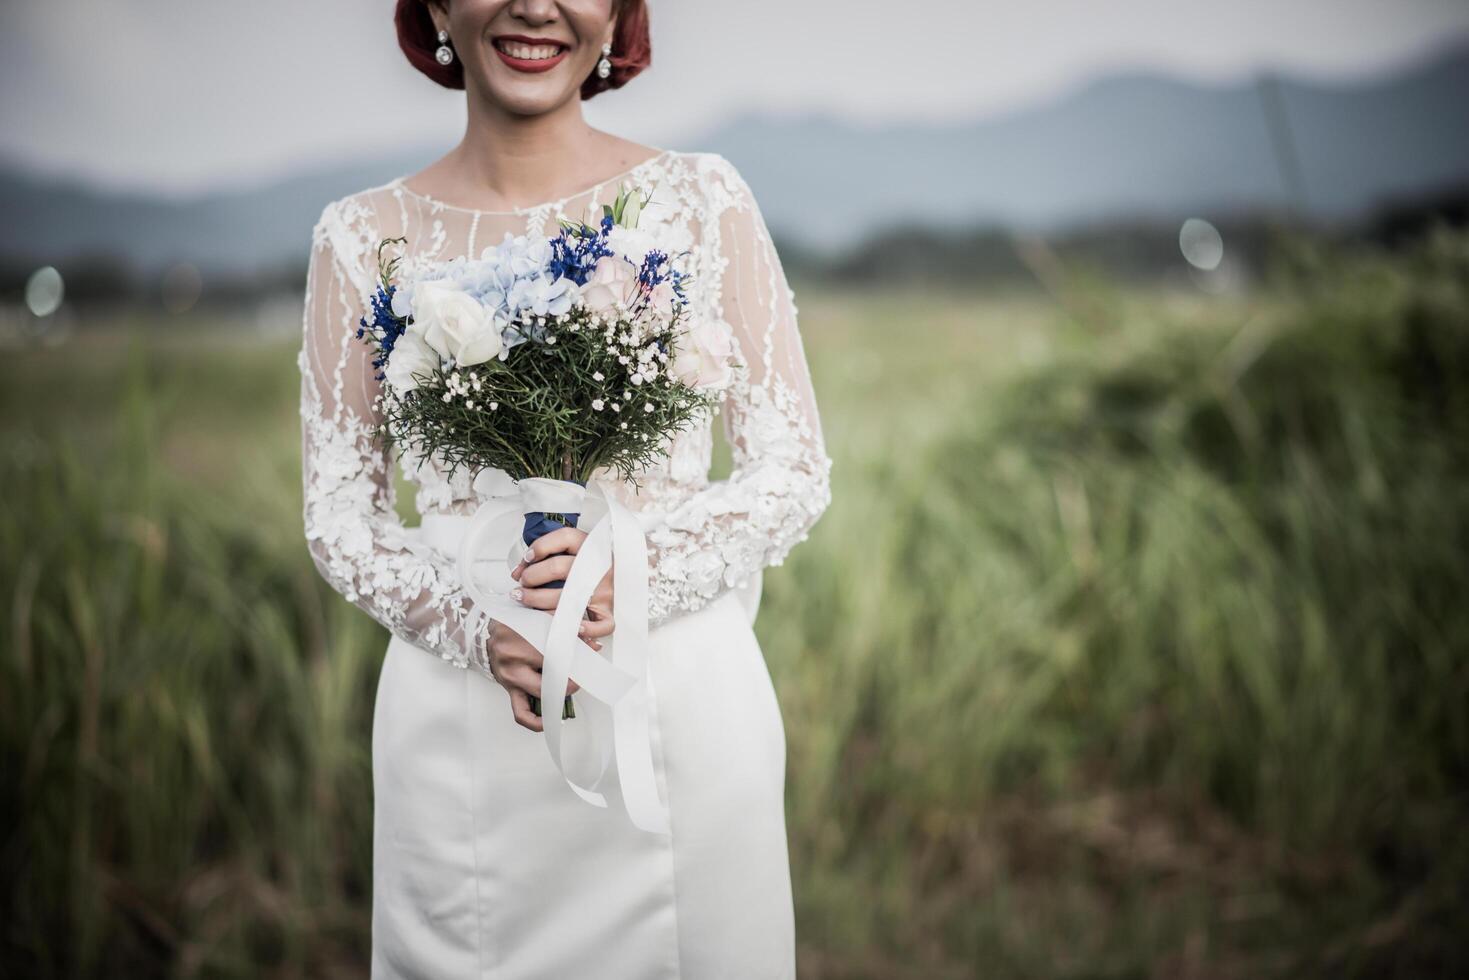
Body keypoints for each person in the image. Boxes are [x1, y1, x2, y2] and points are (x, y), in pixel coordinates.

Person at [297, 1, 833, 976]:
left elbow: (790, 465)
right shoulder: (361, 239)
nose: (537, 5)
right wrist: (472, 621)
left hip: (671, 702)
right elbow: (340, 513)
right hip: (459, 724)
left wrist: (632, 576)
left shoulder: (699, 201)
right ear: (432, 8)